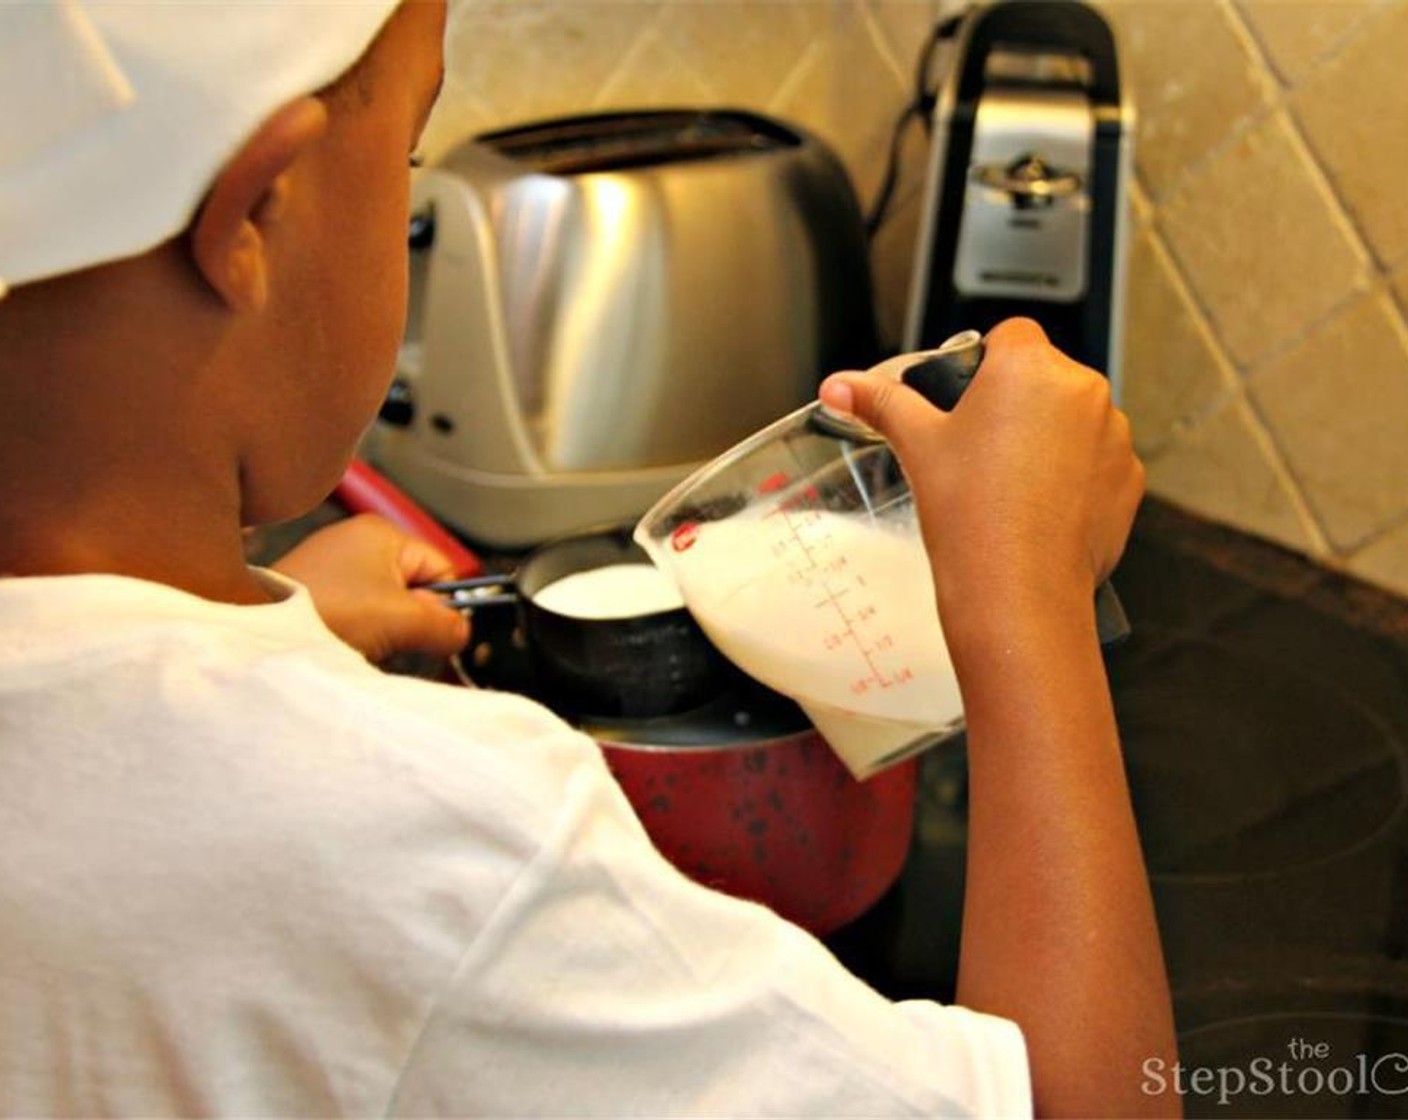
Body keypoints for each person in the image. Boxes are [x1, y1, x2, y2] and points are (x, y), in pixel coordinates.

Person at [0, 1, 1178, 1116]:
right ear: (252, 218)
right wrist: (1031, 603)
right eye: (408, 159)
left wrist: (262, 624)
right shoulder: (442, 850)